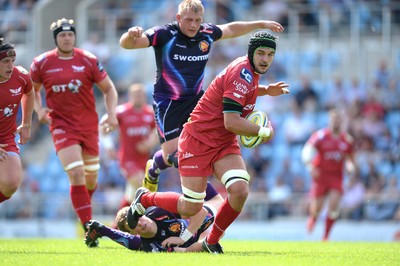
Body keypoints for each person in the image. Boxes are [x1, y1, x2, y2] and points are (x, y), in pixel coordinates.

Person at [127, 31, 290, 254]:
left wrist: (265, 91)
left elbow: (238, 92)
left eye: (270, 54)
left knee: (240, 191)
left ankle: (210, 242)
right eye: (261, 53)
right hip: (198, 140)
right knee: (191, 206)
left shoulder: (250, 72)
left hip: (223, 142)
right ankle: (145, 198)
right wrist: (264, 132)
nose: (265, 59)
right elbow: (231, 121)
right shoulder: (241, 72)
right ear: (251, 52)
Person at [119, 0, 285, 192]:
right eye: (188, 20)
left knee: (201, 149)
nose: (193, 25)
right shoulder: (164, 34)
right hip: (168, 104)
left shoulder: (206, 33)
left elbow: (231, 28)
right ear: (178, 17)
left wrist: (260, 24)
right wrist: (129, 35)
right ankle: (154, 167)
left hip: (197, 100)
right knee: (175, 157)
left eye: (198, 20)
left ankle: (207, 197)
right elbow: (129, 45)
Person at [29, 18, 118, 247]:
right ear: (56, 38)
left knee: (90, 180)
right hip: (61, 126)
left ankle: (83, 215)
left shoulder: (88, 60)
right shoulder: (42, 63)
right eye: (62, 35)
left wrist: (112, 114)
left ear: (74, 36)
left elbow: (109, 89)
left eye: (70, 35)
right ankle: (89, 229)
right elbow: (31, 91)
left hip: (89, 127)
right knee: (77, 174)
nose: (66, 38)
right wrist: (39, 110)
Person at [85, 182, 223, 252]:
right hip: (208, 225)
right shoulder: (151, 246)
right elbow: (186, 251)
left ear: (141, 213)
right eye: (135, 226)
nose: (140, 223)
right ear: (134, 233)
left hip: (209, 208)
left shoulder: (159, 212)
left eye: (138, 218)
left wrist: (182, 238)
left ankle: (147, 193)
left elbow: (201, 213)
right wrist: (207, 244)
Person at [100, 83, 158, 211]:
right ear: (130, 96)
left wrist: (150, 143)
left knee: (133, 194)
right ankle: (137, 219)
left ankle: (118, 223)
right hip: (127, 159)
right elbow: (103, 125)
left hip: (144, 159)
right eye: (136, 95)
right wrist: (108, 146)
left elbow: (159, 131)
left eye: (141, 95)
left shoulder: (150, 113)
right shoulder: (122, 112)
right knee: (140, 183)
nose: (139, 97)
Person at [301, 108, 357, 241]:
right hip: (320, 176)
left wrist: (350, 167)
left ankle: (326, 237)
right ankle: (313, 218)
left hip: (336, 177)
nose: (336, 123)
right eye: (334, 120)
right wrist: (310, 167)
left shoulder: (347, 140)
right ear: (329, 121)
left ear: (342, 122)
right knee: (317, 208)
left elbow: (351, 159)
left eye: (338, 120)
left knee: (333, 206)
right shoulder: (321, 136)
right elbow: (307, 151)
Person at [0, 38, 34, 203]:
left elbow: (29, 92)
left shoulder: (21, 76)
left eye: (12, 61)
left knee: (11, 183)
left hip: (5, 138)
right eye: (5, 61)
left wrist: (26, 124)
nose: (10, 65)